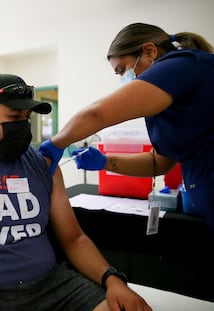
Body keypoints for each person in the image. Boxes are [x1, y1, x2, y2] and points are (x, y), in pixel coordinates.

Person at [0, 73, 152, 311]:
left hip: (50, 287)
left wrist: (112, 280)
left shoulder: (43, 165)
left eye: (26, 118)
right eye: (14, 117)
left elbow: (74, 238)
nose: (23, 126)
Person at [39, 22, 214, 237]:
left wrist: (56, 143)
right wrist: (104, 161)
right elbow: (160, 162)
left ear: (149, 51)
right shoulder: (166, 105)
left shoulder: (181, 65)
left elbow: (97, 114)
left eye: (123, 70)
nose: (124, 79)